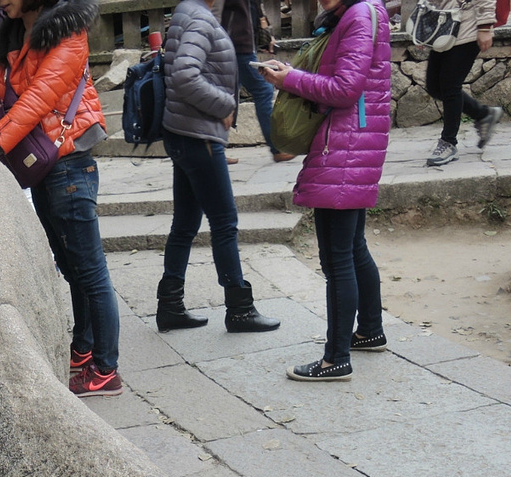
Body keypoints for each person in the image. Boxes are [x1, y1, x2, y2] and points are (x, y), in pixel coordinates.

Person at [0, 0, 122, 398]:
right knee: (70, 269)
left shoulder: (69, 33)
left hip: (69, 165)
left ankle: (106, 369)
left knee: (91, 272)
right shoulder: (13, 33)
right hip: (42, 166)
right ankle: (82, 351)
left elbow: (37, 99)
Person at [258, 0, 389, 380]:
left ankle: (336, 359)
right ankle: (369, 330)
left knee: (336, 259)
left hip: (346, 146)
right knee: (353, 248)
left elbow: (345, 89)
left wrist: (289, 80)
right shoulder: (361, 12)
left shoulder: (358, 16)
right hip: (353, 141)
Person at [155, 0, 280, 335]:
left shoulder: (186, 12)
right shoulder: (199, 18)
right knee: (225, 222)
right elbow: (184, 73)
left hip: (183, 133)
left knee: (185, 224)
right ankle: (239, 310)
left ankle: (169, 306)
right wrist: (225, 105)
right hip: (198, 137)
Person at [421, 0, 502, 167]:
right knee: (435, 86)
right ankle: (484, 114)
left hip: (467, 27)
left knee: (450, 86)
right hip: (444, 25)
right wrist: (424, 23)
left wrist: (485, 27)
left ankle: (448, 142)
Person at [217, 0, 276, 158]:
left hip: (240, 45)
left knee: (228, 94)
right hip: (236, 45)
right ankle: (277, 147)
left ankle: (216, 148)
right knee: (263, 90)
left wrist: (266, 34)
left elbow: (255, 9)